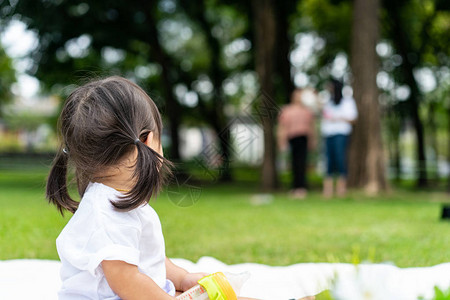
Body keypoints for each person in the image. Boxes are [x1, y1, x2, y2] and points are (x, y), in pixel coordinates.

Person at [320, 79, 358, 198]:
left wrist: (338, 118)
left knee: (340, 158)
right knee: (328, 160)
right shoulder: (328, 102)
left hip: (341, 134)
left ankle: (341, 189)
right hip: (328, 134)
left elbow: (353, 119)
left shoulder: (348, 102)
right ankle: (328, 190)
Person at [278, 89, 315, 199]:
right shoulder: (287, 110)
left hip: (303, 138)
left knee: (302, 163)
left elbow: (311, 127)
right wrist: (281, 141)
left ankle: (302, 187)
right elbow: (282, 127)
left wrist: (313, 140)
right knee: (293, 163)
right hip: (292, 138)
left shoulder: (307, 111)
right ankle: (294, 187)